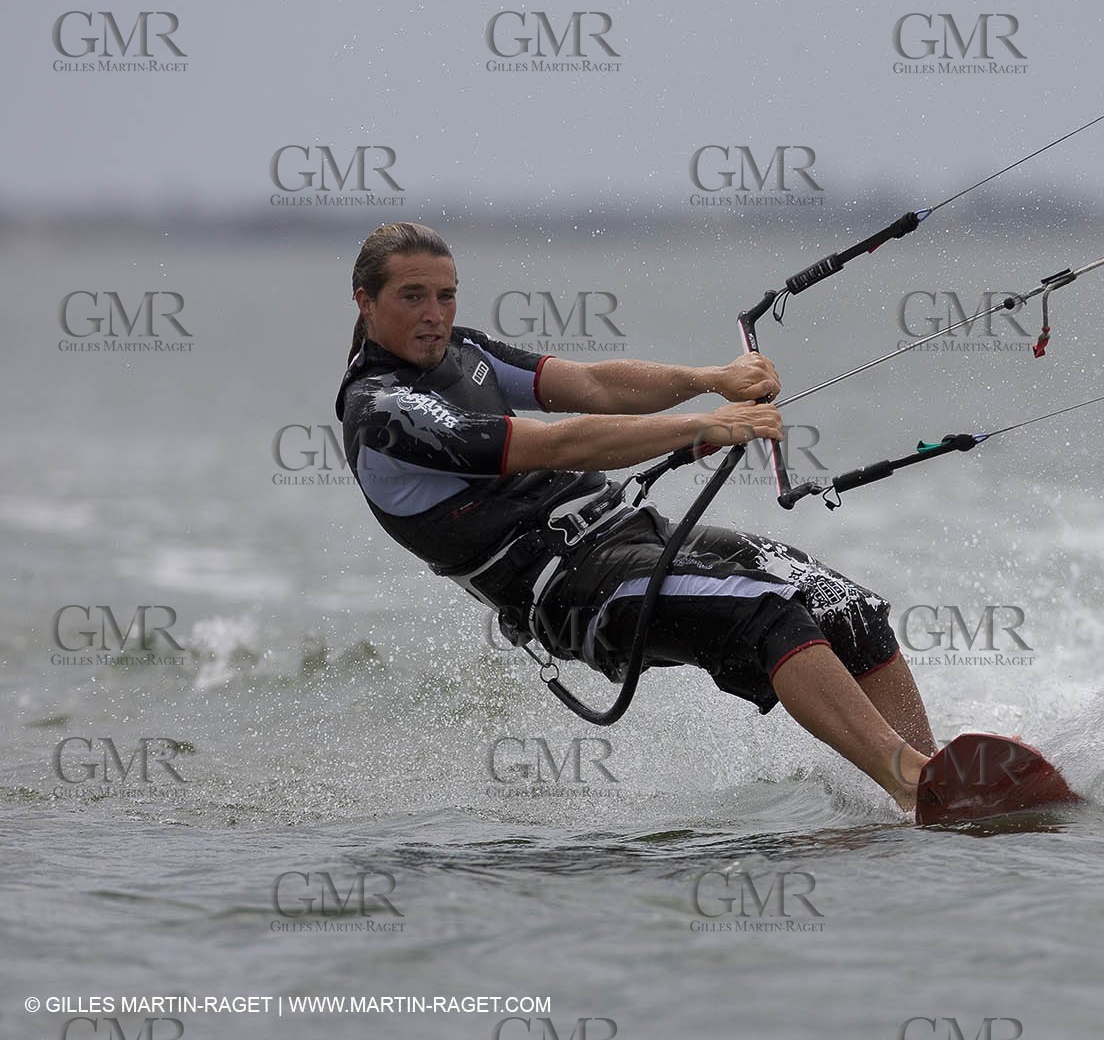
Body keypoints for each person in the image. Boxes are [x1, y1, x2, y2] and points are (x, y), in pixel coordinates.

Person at [336, 222, 935, 811]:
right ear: (366, 301)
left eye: (445, 295)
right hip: (568, 594)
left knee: (837, 601)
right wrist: (705, 425)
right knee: (765, 611)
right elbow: (557, 446)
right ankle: (913, 782)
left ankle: (938, 772)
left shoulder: (466, 355)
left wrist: (712, 380)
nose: (434, 314)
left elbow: (594, 386)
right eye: (412, 297)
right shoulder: (382, 411)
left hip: (626, 535)